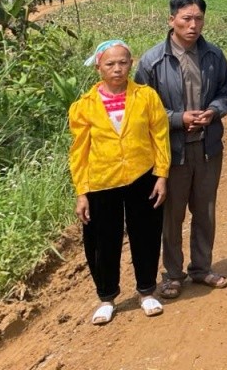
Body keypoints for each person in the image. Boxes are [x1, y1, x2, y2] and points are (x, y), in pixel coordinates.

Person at [135, 0, 227, 300]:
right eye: (186, 18)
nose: (193, 25)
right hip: (171, 151)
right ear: (171, 20)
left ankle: (201, 268)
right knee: (172, 216)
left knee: (205, 211)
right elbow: (142, 109)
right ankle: (172, 274)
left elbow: (226, 92)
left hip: (207, 147)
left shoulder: (214, 55)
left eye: (198, 19)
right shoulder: (152, 61)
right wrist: (178, 119)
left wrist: (213, 111)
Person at [68, 40, 170, 325]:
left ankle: (146, 291)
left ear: (131, 64)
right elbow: (79, 151)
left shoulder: (146, 97)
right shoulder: (84, 107)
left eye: (123, 62)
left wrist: (162, 174)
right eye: (110, 64)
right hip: (102, 180)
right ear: (98, 68)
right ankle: (107, 297)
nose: (117, 69)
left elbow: (159, 136)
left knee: (146, 233)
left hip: (142, 174)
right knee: (102, 240)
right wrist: (82, 192)